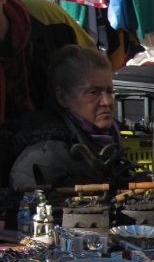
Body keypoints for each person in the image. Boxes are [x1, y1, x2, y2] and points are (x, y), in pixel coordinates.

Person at [9, 45, 135, 191]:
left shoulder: (109, 141)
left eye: (109, 91)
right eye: (93, 92)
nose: (106, 102)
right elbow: (27, 204)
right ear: (62, 97)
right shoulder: (45, 156)